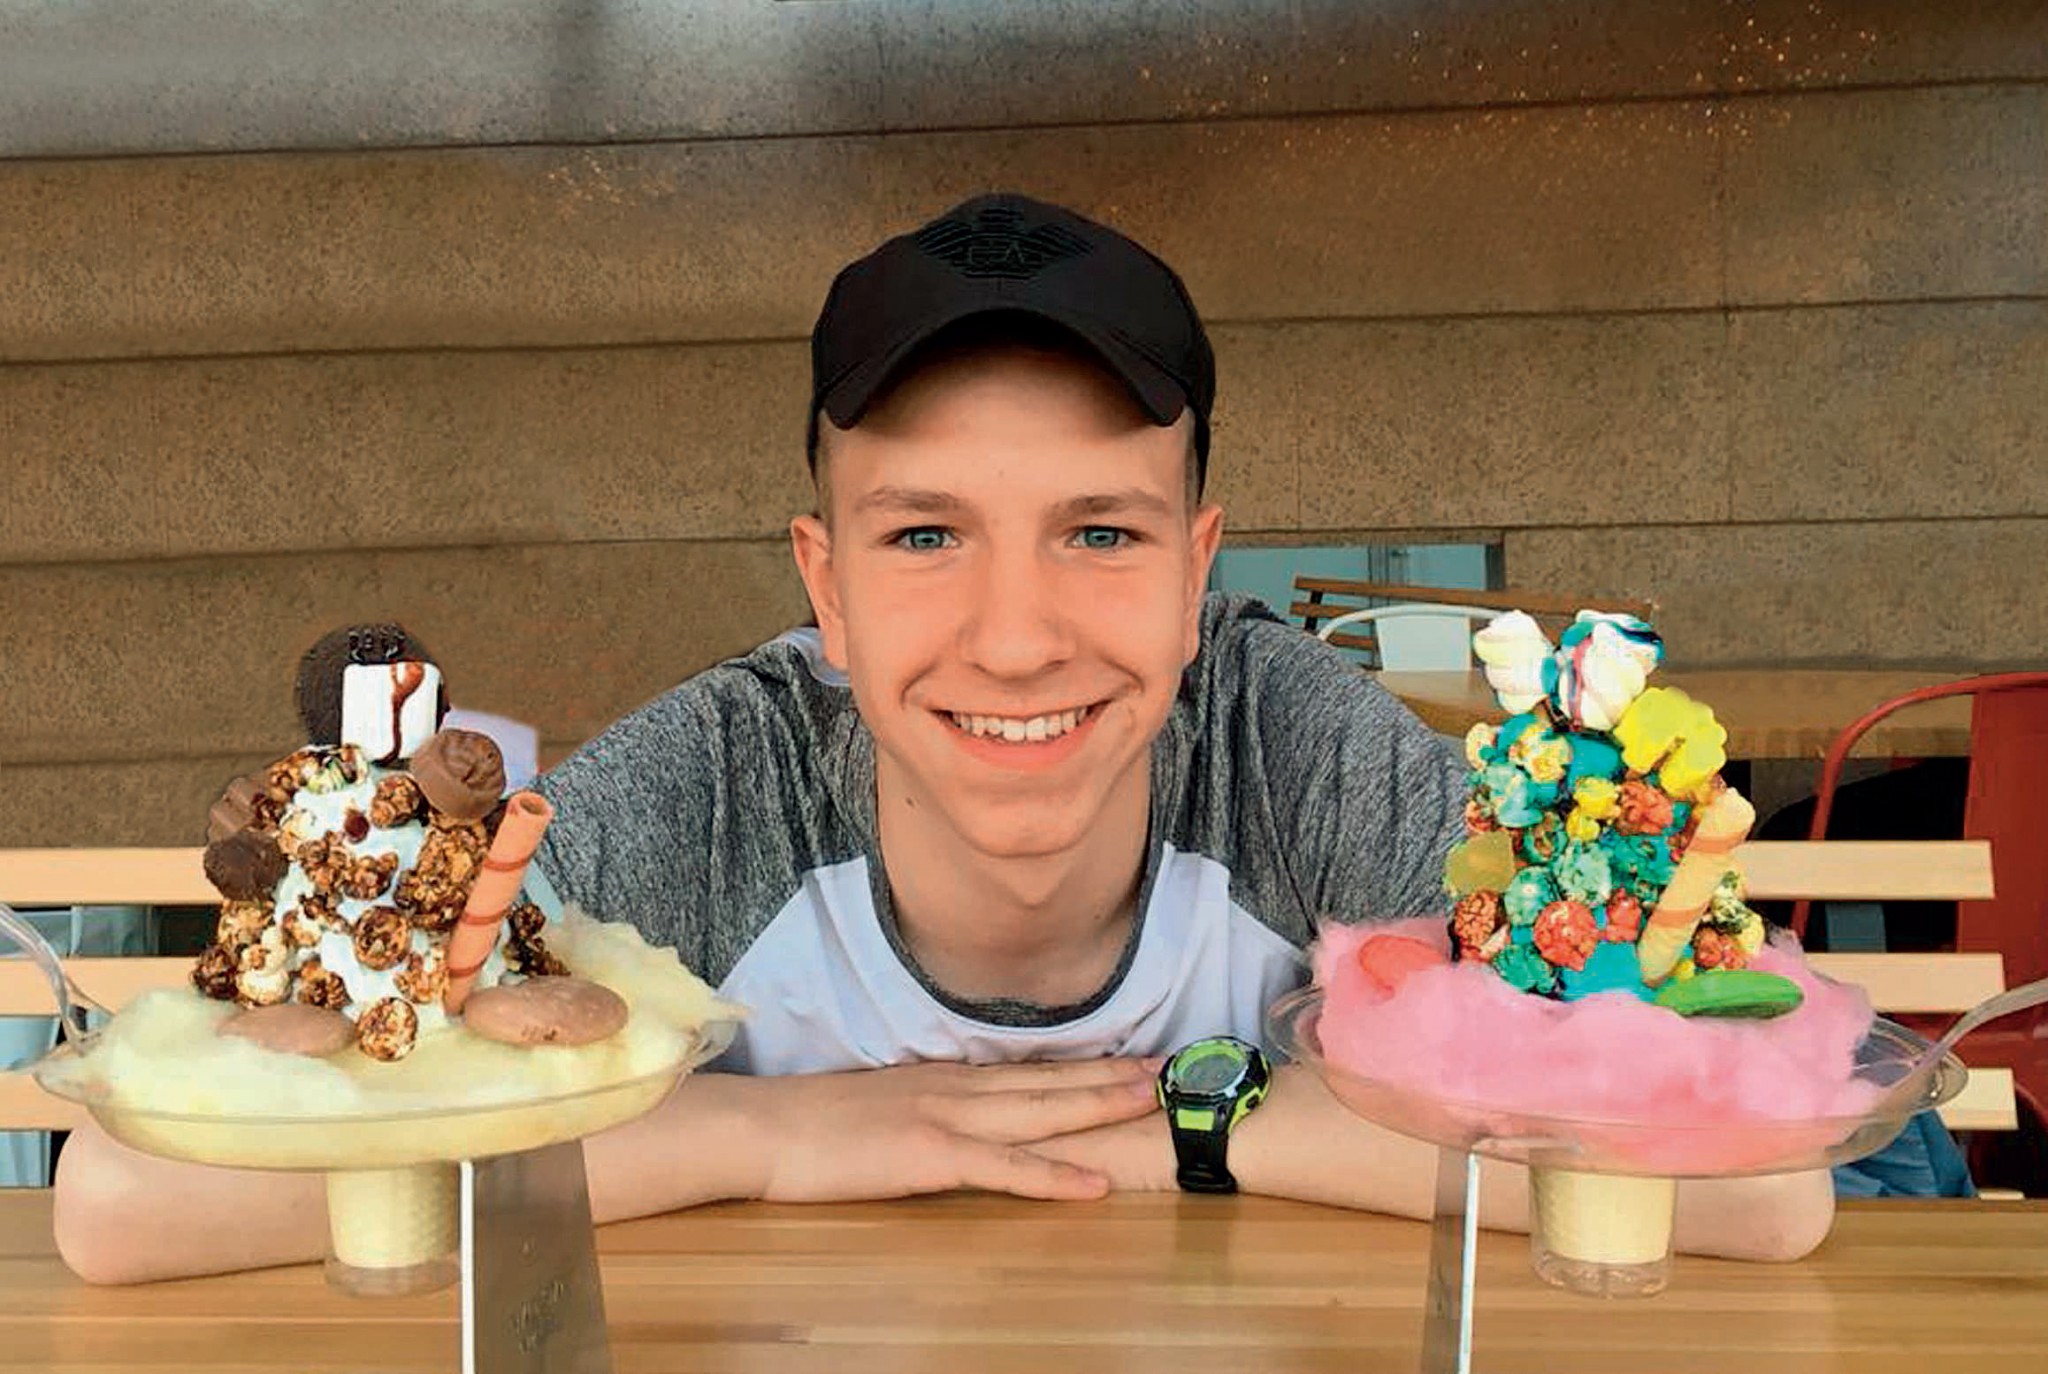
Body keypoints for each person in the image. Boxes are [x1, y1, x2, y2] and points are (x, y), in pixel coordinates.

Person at [52, 194, 1834, 1283]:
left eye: (1101, 530)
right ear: (822, 588)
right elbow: (126, 1202)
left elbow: (1768, 1194)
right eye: (923, 535)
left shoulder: (1297, 753)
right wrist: (774, 1138)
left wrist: (1200, 1124)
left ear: (1200, 572)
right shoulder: (721, 785)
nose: (1015, 633)